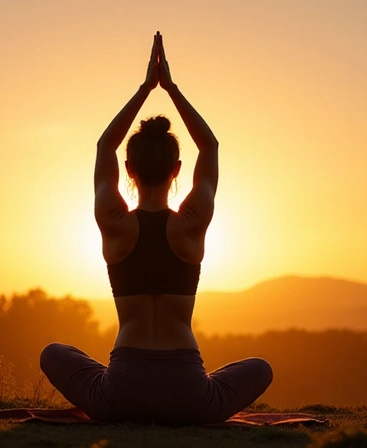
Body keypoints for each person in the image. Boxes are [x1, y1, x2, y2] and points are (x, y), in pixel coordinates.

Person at [40, 32, 272, 424]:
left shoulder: (114, 224)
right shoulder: (191, 224)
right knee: (261, 367)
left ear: (128, 170)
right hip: (190, 396)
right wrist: (172, 89)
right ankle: (192, 394)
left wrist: (145, 88)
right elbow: (210, 147)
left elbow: (103, 148)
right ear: (177, 170)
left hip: (119, 394)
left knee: (53, 353)